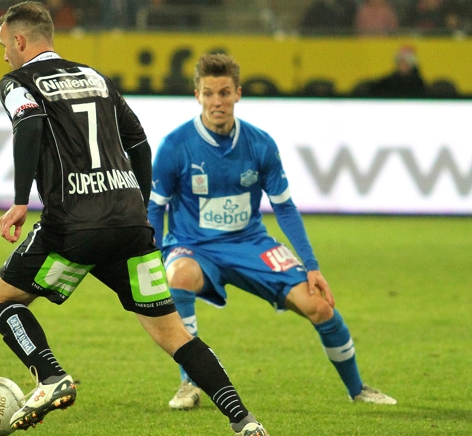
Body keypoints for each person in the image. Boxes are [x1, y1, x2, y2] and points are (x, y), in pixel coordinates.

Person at [0, 1, 269, 436]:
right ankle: (243, 418)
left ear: (20, 41)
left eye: (5, 45)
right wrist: (134, 202)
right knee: (172, 332)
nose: (4, 55)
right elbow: (138, 141)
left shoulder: (17, 82)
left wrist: (21, 201)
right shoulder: (97, 78)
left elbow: (30, 127)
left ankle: (50, 375)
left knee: (0, 298)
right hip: (129, 225)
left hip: (72, 227)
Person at [147, 53, 397, 411]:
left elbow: (285, 207)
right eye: (209, 93)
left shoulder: (260, 144)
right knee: (179, 275)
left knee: (319, 305)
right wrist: (154, 260)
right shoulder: (176, 146)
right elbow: (155, 208)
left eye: (224, 92)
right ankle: (189, 384)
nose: (217, 101)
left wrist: (311, 265)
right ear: (197, 96)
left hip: (249, 244)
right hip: (193, 246)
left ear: (238, 94)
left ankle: (357, 388)